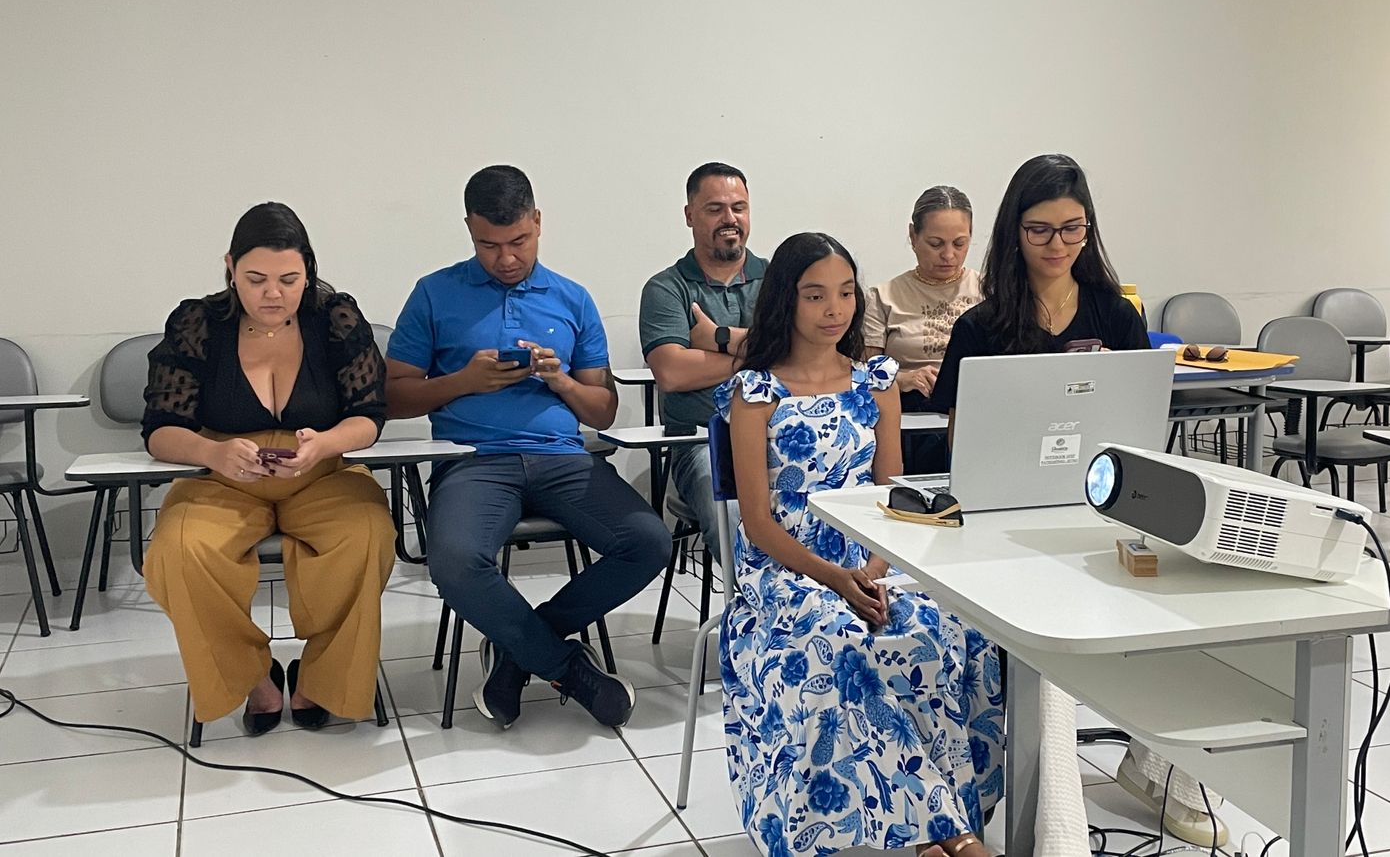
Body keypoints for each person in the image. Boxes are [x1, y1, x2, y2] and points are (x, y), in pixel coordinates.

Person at [929, 153, 1228, 849]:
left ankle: (1165, 774)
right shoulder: (982, 326)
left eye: (1072, 229)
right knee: (1050, 652)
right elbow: (965, 449)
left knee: (1187, 612)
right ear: (1014, 232)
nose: (1058, 244)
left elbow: (1140, 434)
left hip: (1100, 509)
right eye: (1040, 230)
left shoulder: (1114, 315)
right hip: (1005, 525)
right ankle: (1060, 833)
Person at [718, 231, 1005, 857]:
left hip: (873, 557)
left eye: (846, 293)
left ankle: (936, 826)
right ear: (786, 301)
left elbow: (891, 496)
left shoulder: (877, 381)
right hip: (787, 568)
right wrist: (833, 577)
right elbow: (758, 523)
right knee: (839, 642)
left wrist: (871, 570)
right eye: (816, 295)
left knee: (949, 629)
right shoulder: (756, 392)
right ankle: (944, 832)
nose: (835, 310)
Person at [386, 165, 669, 730]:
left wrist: (561, 381)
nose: (506, 258)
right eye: (488, 245)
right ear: (469, 229)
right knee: (453, 561)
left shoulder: (572, 298)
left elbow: (603, 411)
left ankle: (518, 650)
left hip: (562, 457)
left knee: (649, 542)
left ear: (538, 222)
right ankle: (567, 668)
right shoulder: (433, 293)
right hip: (472, 462)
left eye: (518, 241)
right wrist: (464, 381)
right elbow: (392, 399)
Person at [142, 202, 394, 735]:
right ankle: (255, 680)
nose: (272, 294)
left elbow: (369, 417)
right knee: (179, 550)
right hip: (223, 476)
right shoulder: (198, 323)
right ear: (230, 268)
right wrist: (211, 453)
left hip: (322, 470)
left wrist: (326, 443)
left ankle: (318, 681)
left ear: (309, 271)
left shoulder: (335, 318)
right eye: (255, 279)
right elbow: (160, 429)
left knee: (367, 535)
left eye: (289, 280)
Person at [639, 162, 765, 560]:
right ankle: (755, 596)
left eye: (738, 207)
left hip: (779, 433)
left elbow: (805, 353)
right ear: (690, 215)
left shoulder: (778, 280)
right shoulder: (665, 288)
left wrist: (718, 339)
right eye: (715, 209)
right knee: (730, 510)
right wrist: (762, 356)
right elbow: (673, 373)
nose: (730, 219)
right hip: (702, 442)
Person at [863, 185, 983, 474]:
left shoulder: (990, 291)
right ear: (913, 236)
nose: (949, 255)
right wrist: (902, 378)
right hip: (910, 418)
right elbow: (865, 371)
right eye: (935, 243)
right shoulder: (883, 297)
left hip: (976, 412)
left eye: (959, 243)